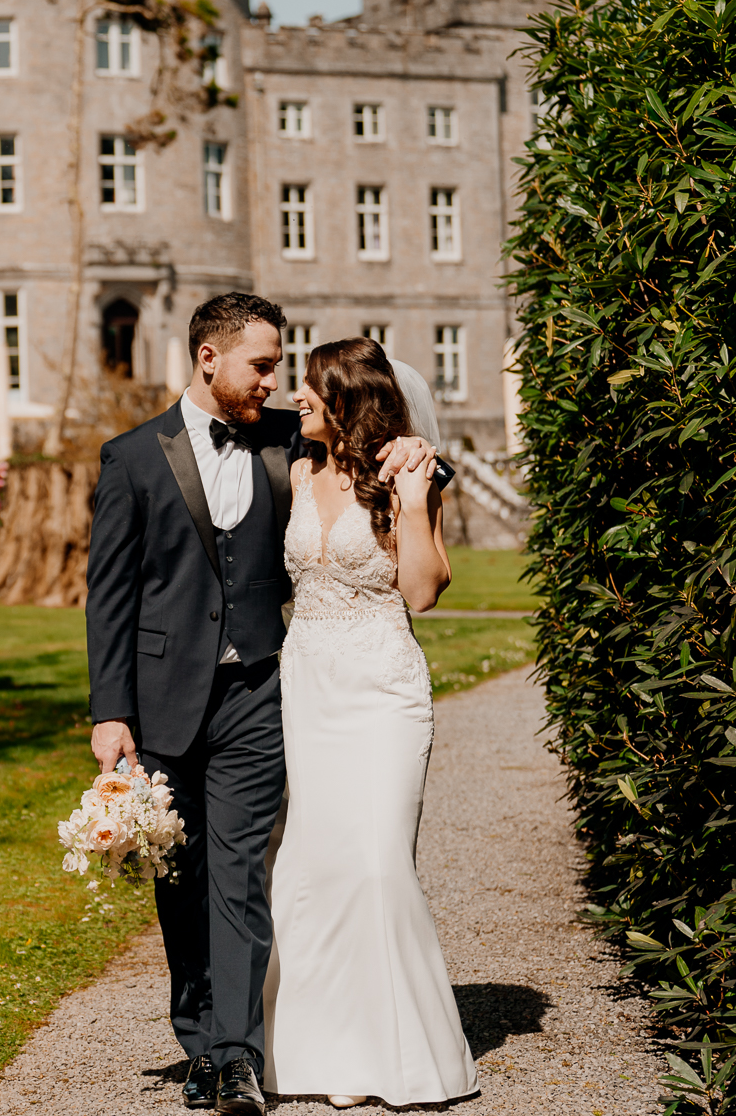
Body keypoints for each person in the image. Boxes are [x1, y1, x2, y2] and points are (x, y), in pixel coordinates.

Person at [85, 296, 437, 1115]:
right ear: (209, 358)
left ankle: (237, 1056)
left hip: (260, 690)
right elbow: (108, 596)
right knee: (182, 874)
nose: (276, 382)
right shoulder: (132, 458)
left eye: (281, 367)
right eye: (263, 365)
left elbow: (374, 446)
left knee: (241, 869)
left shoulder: (288, 436)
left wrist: (420, 449)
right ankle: (199, 1036)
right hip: (163, 696)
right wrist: (111, 712)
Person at [261, 336, 478, 1107]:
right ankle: (316, 1057)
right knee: (315, 865)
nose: (297, 398)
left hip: (383, 688)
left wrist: (416, 505)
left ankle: (400, 1057)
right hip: (310, 688)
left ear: (346, 397)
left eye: (313, 389)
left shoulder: (405, 477)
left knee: (381, 862)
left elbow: (422, 592)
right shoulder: (293, 470)